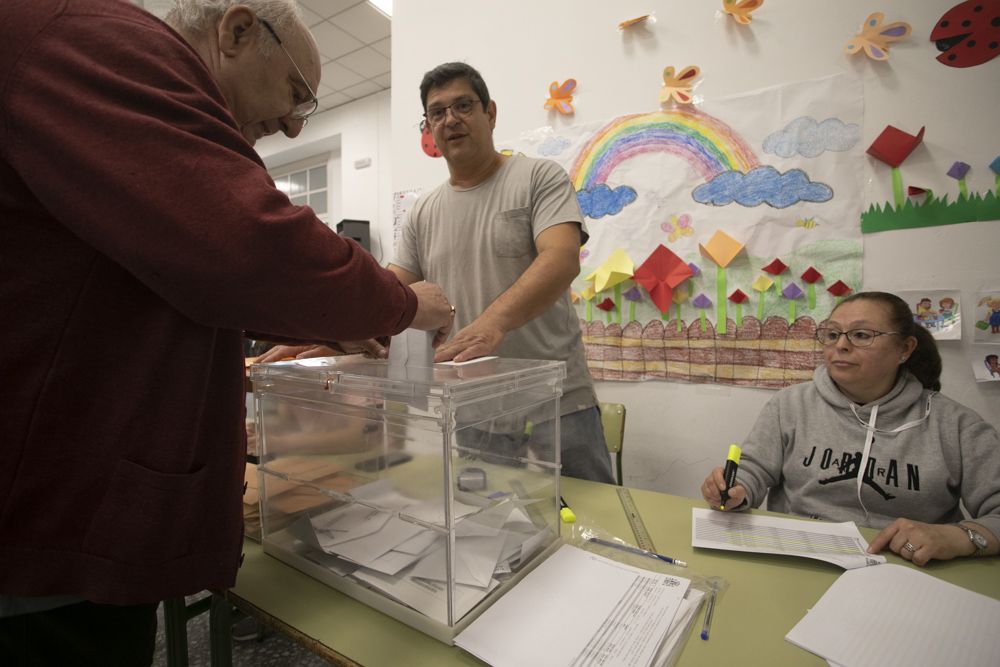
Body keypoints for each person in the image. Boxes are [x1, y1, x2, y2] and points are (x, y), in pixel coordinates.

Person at [0, 0, 452, 662]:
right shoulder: (103, 43)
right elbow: (242, 245)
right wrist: (401, 305)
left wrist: (324, 320)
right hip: (42, 530)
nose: (296, 125)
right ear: (237, 31)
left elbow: (176, 268)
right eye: (296, 91)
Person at [393, 62, 614, 484]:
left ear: (490, 113)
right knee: (490, 530)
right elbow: (393, 286)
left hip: (558, 402)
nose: (450, 119)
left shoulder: (537, 177)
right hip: (475, 409)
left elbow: (562, 258)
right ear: (429, 129)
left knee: (592, 520)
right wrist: (327, 334)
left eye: (463, 105)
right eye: (437, 113)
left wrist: (489, 326)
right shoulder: (423, 211)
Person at [701, 291, 1000, 566]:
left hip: (907, 567)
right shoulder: (789, 404)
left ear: (904, 349)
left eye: (860, 335)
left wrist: (960, 537)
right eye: (832, 334)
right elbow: (753, 470)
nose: (841, 345)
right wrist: (735, 489)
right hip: (799, 557)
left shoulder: (957, 426)